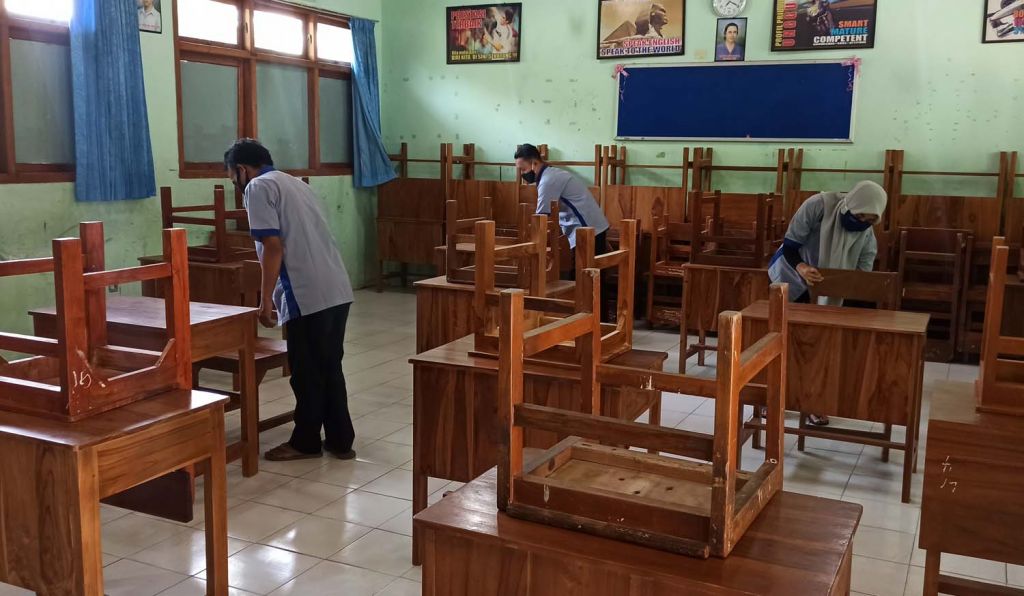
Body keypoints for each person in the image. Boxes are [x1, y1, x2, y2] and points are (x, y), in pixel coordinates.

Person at [224, 139, 357, 462]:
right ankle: (340, 440)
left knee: (306, 371)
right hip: (337, 288)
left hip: (306, 291)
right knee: (329, 366)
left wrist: (264, 299)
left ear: (241, 170)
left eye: (231, 174)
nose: (233, 182)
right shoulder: (295, 183)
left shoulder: (256, 188)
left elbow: (273, 246)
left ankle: (306, 442)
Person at [768, 180, 888, 426]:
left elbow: (861, 276)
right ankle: (772, 399)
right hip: (792, 275)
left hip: (830, 288)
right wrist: (802, 267)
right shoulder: (818, 206)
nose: (861, 223)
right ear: (849, 206)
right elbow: (790, 245)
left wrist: (849, 291)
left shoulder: (866, 235)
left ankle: (813, 401)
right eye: (858, 216)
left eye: (868, 220)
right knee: (786, 339)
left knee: (819, 344)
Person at [514, 143, 610, 276]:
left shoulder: (548, 180)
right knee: (586, 275)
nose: (522, 174)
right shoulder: (550, 174)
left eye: (523, 169)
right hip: (590, 227)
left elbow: (541, 217)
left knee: (585, 276)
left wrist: (529, 243)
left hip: (588, 229)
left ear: (534, 163)